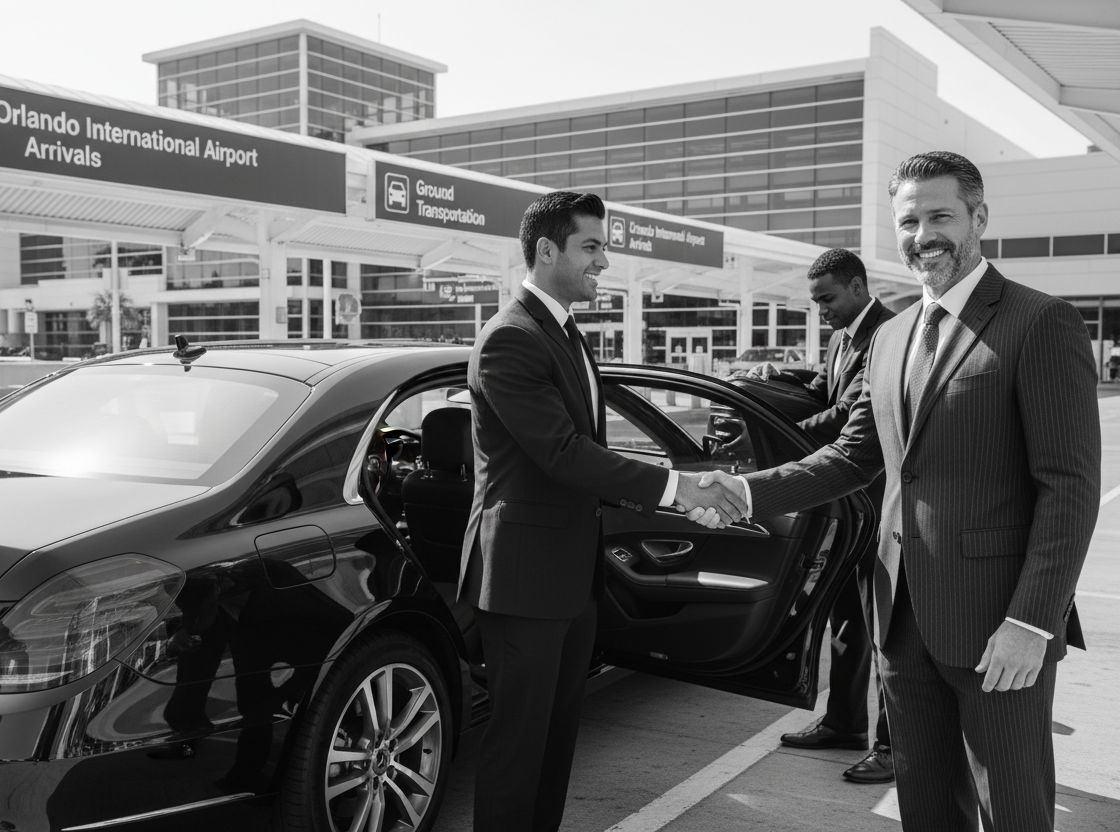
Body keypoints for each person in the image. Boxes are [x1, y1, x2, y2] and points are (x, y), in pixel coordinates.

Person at [696, 151, 1100, 831]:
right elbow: (852, 456)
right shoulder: (890, 337)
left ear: (979, 218)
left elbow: (1069, 487)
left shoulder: (1040, 322)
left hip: (998, 623)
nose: (923, 233)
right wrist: (744, 491)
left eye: (940, 215)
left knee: (1014, 809)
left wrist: (1032, 621)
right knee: (926, 806)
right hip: (901, 615)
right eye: (908, 220)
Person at [458, 190, 744, 832]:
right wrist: (675, 488)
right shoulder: (511, 337)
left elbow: (588, 455)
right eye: (592, 247)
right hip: (524, 584)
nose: (604, 262)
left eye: (603, 246)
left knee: (556, 746)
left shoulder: (563, 331)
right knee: (517, 748)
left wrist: (681, 496)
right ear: (546, 251)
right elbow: (563, 454)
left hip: (569, 578)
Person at [751, 248, 897, 783]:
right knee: (848, 619)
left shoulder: (886, 335)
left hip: (878, 506)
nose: (821, 311)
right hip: (850, 508)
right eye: (815, 301)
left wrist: (774, 442)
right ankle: (844, 724)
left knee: (884, 632)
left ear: (858, 286)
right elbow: (822, 389)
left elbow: (846, 415)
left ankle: (892, 747)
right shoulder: (844, 337)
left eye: (827, 298)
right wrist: (765, 385)